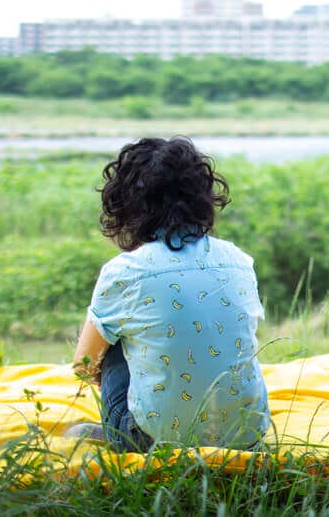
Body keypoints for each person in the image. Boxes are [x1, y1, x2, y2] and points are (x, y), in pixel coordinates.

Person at [69, 137, 271, 451]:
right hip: (246, 435)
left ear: (126, 204)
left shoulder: (125, 271)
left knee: (113, 338)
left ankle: (122, 430)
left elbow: (84, 365)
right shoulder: (239, 260)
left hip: (154, 441)